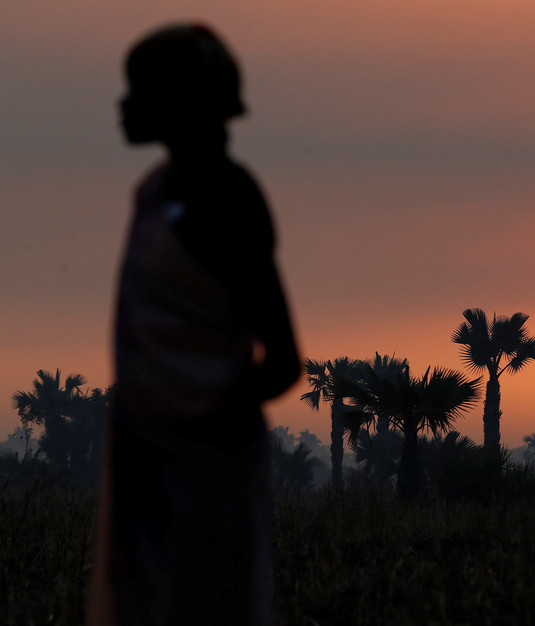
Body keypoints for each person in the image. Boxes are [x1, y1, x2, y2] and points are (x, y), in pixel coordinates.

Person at [87, 23, 301, 626]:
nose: (123, 105)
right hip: (147, 460)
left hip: (206, 474)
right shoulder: (155, 194)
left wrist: (200, 421)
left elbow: (282, 360)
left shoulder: (227, 201)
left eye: (139, 90)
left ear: (179, 103)